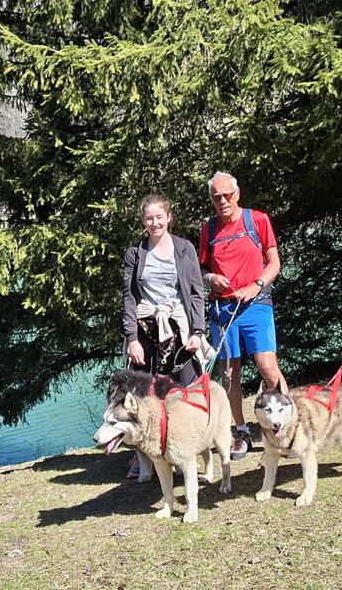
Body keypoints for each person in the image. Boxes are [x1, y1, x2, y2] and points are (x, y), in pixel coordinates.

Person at [199, 171, 286, 460]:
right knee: (228, 373)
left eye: (227, 195)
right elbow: (200, 271)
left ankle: (284, 422)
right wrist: (211, 278)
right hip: (223, 310)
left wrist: (256, 285)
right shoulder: (208, 230)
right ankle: (241, 432)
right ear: (211, 200)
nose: (223, 200)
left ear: (238, 194)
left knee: (267, 366)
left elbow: (274, 263)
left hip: (256, 303)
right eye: (216, 197)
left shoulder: (257, 220)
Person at [122, 194, 207, 477]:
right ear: (143, 220)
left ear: (169, 217)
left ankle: (190, 450)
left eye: (160, 217)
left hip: (178, 325)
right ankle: (143, 458)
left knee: (187, 389)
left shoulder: (184, 249)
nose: (155, 222)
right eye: (149, 218)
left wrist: (197, 331)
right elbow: (129, 297)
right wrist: (132, 338)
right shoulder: (135, 253)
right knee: (143, 393)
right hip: (145, 327)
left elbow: (196, 292)